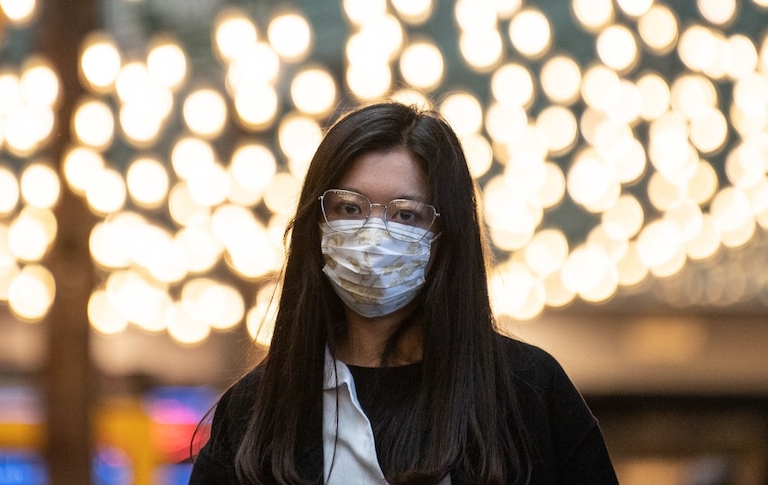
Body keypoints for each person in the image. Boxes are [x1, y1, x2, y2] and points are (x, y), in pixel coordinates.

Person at [189, 102, 619, 484]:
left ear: (445, 235)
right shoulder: (254, 412)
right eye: (350, 208)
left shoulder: (527, 392)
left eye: (406, 215)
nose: (374, 234)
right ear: (316, 223)